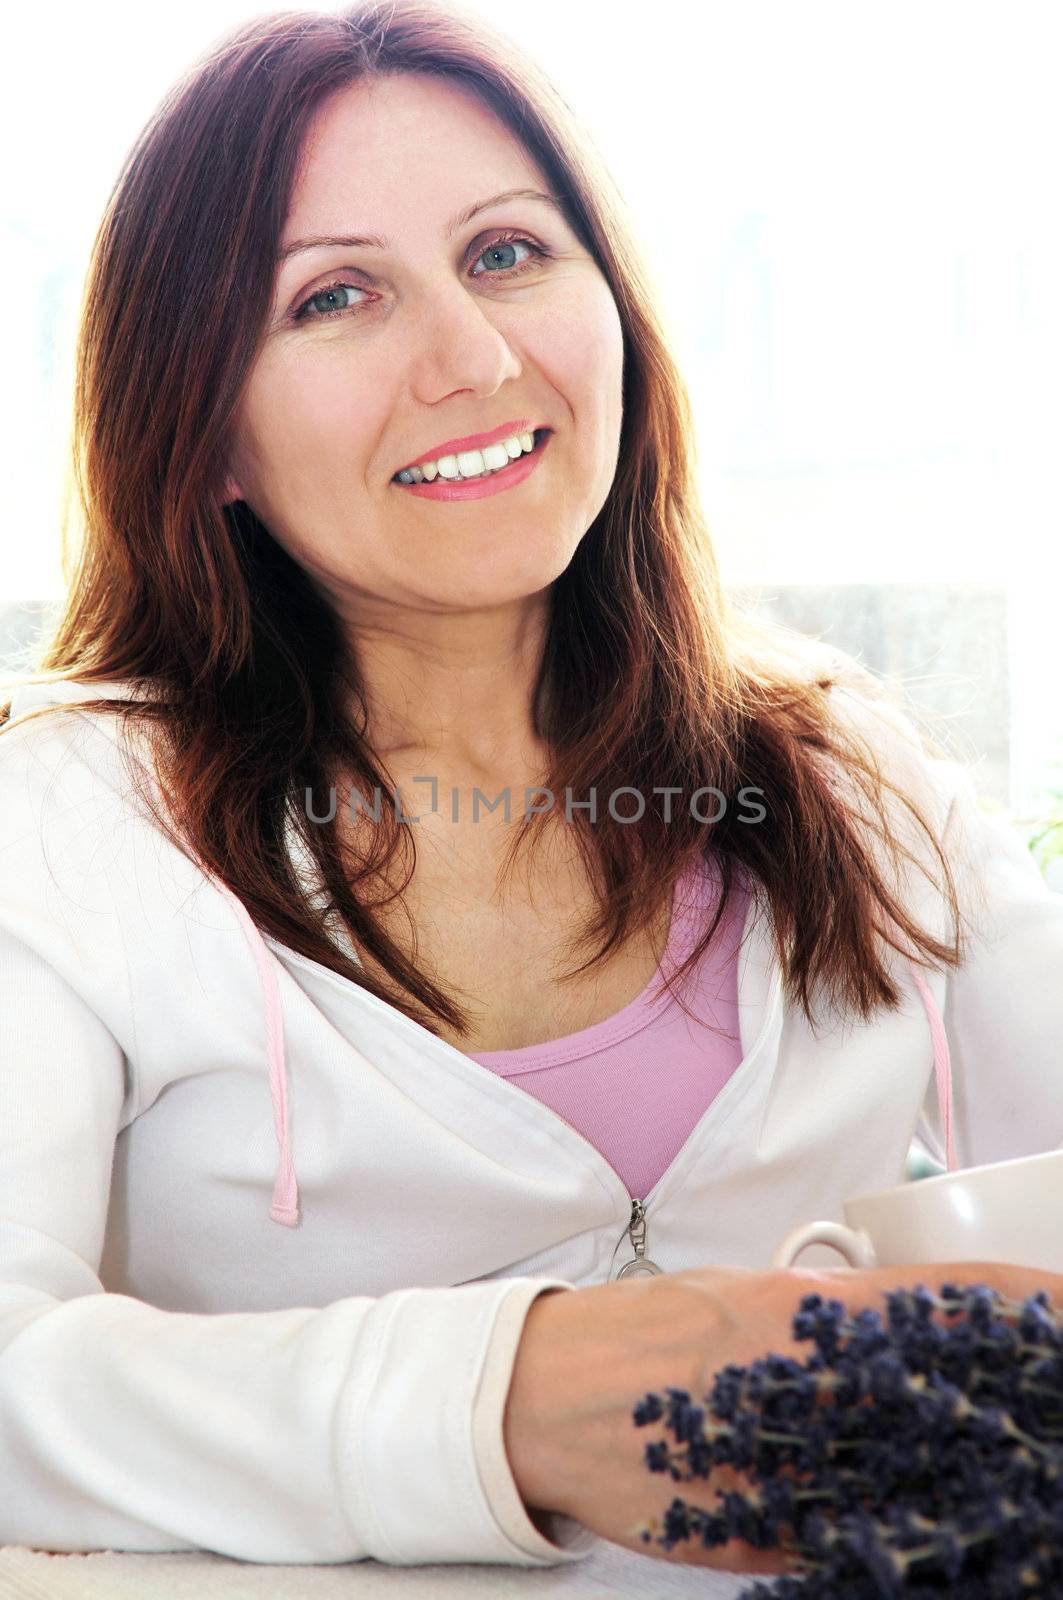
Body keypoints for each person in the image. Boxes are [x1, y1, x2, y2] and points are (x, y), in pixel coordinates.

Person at [1, 0, 1061, 1586]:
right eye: (337, 297)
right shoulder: (70, 821)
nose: (475, 359)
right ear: (203, 427)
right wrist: (512, 1402)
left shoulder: (848, 774)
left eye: (507, 254)